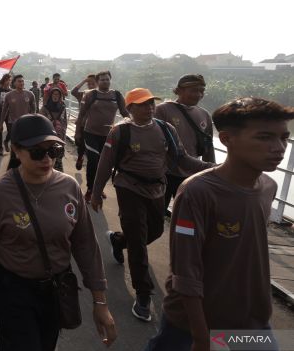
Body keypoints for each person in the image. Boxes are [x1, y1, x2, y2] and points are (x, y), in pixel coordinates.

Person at [144, 97, 293, 351]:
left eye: (284, 138)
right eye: (264, 137)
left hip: (252, 320)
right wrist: (201, 337)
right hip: (193, 323)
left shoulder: (269, 186)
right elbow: (185, 271)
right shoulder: (197, 192)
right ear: (226, 139)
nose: (278, 148)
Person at [0, 114, 116, 350]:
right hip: (13, 290)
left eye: (54, 150)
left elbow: (85, 244)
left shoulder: (69, 187)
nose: (47, 159)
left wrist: (100, 301)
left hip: (55, 290)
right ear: (16, 151)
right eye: (37, 152)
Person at [90, 88, 214, 322]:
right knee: (138, 242)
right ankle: (143, 294)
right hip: (129, 187)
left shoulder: (166, 129)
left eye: (151, 104)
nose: (149, 108)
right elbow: (105, 164)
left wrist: (212, 168)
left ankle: (118, 240)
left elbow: (182, 158)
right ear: (130, 108)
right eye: (142, 104)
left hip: (157, 188)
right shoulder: (120, 132)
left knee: (155, 231)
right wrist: (96, 193)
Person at [154, 74, 215, 215]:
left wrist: (211, 173)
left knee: (187, 216)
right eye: (193, 90)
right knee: (155, 216)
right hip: (164, 174)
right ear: (179, 90)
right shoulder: (162, 110)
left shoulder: (204, 115)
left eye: (201, 91)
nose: (198, 94)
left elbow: (208, 147)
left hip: (191, 175)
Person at [75, 71, 129, 202]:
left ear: (110, 80)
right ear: (97, 82)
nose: (105, 82)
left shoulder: (117, 95)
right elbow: (81, 114)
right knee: (93, 160)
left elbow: (124, 112)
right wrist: (78, 132)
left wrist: (133, 124)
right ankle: (90, 189)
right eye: (102, 80)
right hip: (90, 133)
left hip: (108, 135)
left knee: (104, 164)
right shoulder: (91, 95)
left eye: (107, 79)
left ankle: (98, 189)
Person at [1, 74, 37, 165]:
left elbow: (34, 109)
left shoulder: (30, 94)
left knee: (25, 145)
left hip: (26, 124)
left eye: (22, 81)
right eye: (19, 81)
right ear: (14, 83)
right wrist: (0, 124)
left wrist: (32, 121)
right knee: (15, 145)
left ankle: (23, 163)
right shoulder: (9, 95)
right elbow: (4, 110)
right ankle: (13, 165)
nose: (21, 83)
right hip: (13, 124)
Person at [41, 86, 68, 172]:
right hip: (48, 136)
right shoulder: (45, 108)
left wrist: (63, 131)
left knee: (59, 157)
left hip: (60, 136)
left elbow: (65, 121)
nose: (55, 96)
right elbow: (40, 121)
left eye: (57, 94)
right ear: (50, 95)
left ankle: (58, 176)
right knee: (47, 157)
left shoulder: (63, 107)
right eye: (54, 94)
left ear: (60, 96)